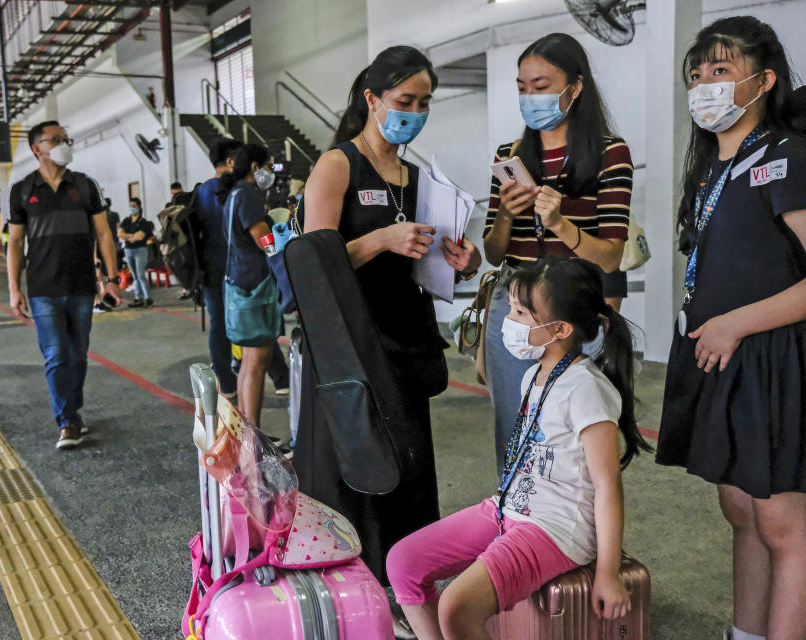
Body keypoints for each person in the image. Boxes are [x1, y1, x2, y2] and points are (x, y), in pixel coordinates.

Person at [387, 257, 650, 640]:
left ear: (559, 328)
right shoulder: (533, 375)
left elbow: (608, 486)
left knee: (456, 607)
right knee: (403, 563)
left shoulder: (586, 389)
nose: (508, 321)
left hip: (556, 527)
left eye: (520, 313)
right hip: (511, 506)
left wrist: (607, 573)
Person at [297, 45, 481, 585]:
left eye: (425, 103)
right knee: (362, 467)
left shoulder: (416, 176)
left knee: (409, 465)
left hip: (405, 339)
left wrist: (460, 264)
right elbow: (313, 266)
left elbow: (424, 262)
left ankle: (405, 583)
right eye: (406, 100)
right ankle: (360, 585)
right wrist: (379, 239)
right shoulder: (337, 165)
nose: (415, 113)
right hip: (352, 346)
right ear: (372, 99)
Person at [655, 17, 806, 640]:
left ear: (763, 81)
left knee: (782, 524)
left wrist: (735, 324)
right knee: (740, 509)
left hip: (772, 357)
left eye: (721, 71)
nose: (705, 85)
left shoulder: (785, 156)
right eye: (697, 74)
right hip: (723, 357)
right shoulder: (708, 169)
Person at [481, 33, 632, 482]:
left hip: (574, 307)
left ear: (575, 87)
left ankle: (574, 538)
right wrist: (506, 216)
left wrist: (563, 223)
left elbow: (610, 256)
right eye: (523, 87)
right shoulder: (508, 156)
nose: (530, 97)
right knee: (514, 427)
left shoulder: (609, 154)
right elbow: (493, 252)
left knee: (571, 434)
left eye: (542, 85)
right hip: (517, 307)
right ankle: (516, 530)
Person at [6, 120, 121, 450]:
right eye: (54, 140)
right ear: (36, 148)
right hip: (43, 289)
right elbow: (15, 243)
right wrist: (14, 289)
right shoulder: (23, 191)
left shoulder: (85, 186)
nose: (63, 144)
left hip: (82, 286)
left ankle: (73, 408)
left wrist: (111, 281)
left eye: (65, 139)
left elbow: (103, 234)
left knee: (78, 354)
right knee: (56, 354)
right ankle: (67, 420)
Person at [217, 143, 278, 429]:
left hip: (239, 280)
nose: (271, 171)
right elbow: (264, 241)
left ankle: (245, 430)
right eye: (269, 165)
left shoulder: (234, 195)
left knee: (247, 363)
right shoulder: (249, 196)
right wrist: (284, 236)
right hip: (255, 285)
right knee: (256, 362)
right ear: (255, 167)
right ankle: (253, 438)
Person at [195, 137, 244, 397]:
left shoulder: (201, 190)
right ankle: (276, 377)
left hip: (208, 266)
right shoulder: (233, 190)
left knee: (218, 325)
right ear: (230, 161)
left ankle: (226, 382)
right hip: (235, 266)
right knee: (250, 323)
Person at [118, 197, 154, 308]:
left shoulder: (144, 223)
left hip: (140, 250)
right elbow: (120, 234)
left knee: (140, 275)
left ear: (139, 207)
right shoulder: (126, 221)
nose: (131, 208)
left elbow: (140, 237)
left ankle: (148, 298)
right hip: (128, 250)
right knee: (134, 276)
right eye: (130, 206)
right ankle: (138, 299)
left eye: (134, 206)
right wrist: (132, 236)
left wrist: (127, 236)